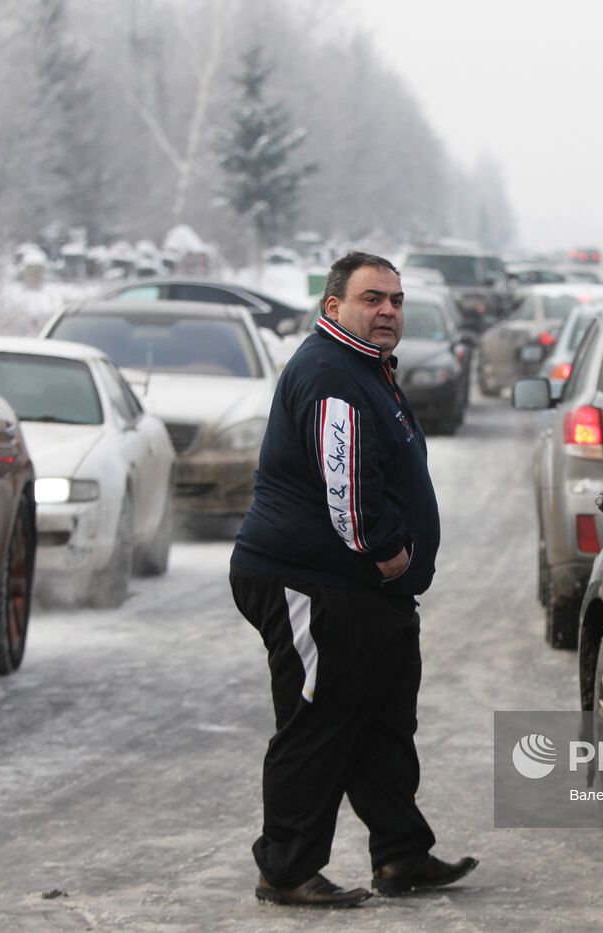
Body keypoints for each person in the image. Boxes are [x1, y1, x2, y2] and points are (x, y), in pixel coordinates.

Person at [230, 251, 477, 908]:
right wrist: (388, 550)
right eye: (372, 298)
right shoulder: (332, 373)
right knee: (319, 722)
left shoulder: (364, 369)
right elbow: (346, 483)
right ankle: (285, 868)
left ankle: (401, 853)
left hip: (361, 588)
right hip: (311, 579)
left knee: (383, 720)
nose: (388, 311)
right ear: (332, 306)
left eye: (396, 300)